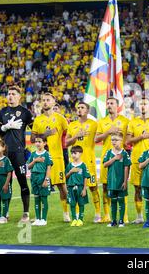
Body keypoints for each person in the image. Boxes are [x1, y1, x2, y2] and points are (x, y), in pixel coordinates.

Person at [0, 85, 33, 222]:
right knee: (6, 183)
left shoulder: (25, 112)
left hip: (19, 153)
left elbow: (35, 130)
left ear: (19, 96)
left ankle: (26, 213)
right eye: (9, 93)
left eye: (13, 94)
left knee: (23, 182)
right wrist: (5, 126)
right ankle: (5, 213)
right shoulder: (3, 111)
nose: (10, 96)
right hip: (5, 154)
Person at [31, 93, 69, 222]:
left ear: (54, 102)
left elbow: (68, 134)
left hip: (57, 157)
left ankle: (66, 213)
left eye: (48, 100)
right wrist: (44, 134)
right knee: (41, 186)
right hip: (42, 158)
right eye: (43, 100)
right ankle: (40, 216)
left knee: (61, 186)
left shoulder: (60, 118)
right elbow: (32, 139)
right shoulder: (37, 119)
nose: (45, 102)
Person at [95, 97, 129, 223]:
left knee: (122, 186)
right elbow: (96, 139)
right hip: (106, 157)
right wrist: (108, 132)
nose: (109, 105)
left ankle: (124, 215)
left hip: (120, 158)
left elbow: (128, 140)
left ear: (117, 105)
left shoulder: (125, 121)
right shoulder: (102, 122)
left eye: (112, 103)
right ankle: (107, 215)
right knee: (105, 186)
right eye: (107, 103)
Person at [126, 98, 149, 224]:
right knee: (138, 188)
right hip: (137, 160)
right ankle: (139, 216)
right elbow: (128, 141)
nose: (143, 106)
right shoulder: (133, 122)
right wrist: (142, 137)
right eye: (141, 104)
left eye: (145, 104)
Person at [66, 102, 100, 223]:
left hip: (89, 160)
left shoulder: (94, 124)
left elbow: (99, 137)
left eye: (82, 108)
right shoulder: (72, 125)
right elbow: (66, 143)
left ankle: (98, 213)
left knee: (93, 188)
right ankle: (76, 215)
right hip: (75, 162)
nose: (79, 110)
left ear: (87, 110)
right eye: (78, 108)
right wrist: (76, 136)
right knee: (75, 188)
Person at [103, 132, 131, 228]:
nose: (113, 142)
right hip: (111, 182)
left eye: (116, 140)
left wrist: (125, 181)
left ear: (121, 141)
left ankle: (121, 221)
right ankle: (113, 221)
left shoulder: (124, 154)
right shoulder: (109, 153)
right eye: (112, 140)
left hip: (121, 182)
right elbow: (105, 164)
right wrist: (114, 158)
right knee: (113, 201)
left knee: (121, 201)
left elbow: (126, 167)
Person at [26, 135, 52, 226]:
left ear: (44, 143)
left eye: (39, 141)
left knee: (43, 198)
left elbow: (49, 168)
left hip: (42, 177)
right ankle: (38, 218)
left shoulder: (46, 154)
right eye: (36, 141)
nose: (37, 143)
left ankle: (44, 219)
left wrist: (46, 179)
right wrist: (35, 160)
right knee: (36, 198)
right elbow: (28, 166)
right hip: (34, 178)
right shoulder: (33, 154)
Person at [65, 145, 90, 227]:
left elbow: (86, 177)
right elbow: (66, 177)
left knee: (81, 203)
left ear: (80, 153)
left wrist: (84, 189)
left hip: (80, 187)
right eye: (71, 153)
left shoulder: (83, 165)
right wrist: (70, 172)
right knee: (72, 204)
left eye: (75, 153)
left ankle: (80, 219)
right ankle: (74, 219)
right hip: (71, 187)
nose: (73, 155)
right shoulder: (69, 165)